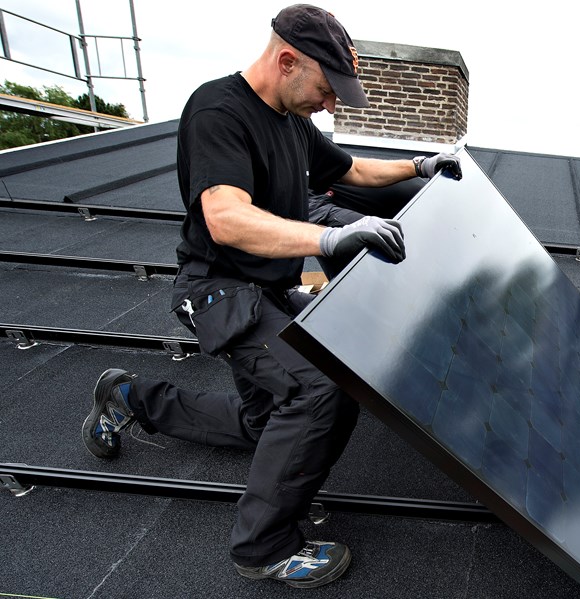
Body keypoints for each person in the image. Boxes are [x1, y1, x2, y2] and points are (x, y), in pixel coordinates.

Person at [80, 4, 461, 589]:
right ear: (287, 61)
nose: (332, 104)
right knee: (319, 390)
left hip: (268, 289)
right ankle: (263, 546)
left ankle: (131, 397)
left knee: (269, 425)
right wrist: (332, 236)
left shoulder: (291, 119)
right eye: (328, 89)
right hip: (218, 291)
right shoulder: (219, 111)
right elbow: (227, 219)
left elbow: (352, 170)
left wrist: (419, 164)